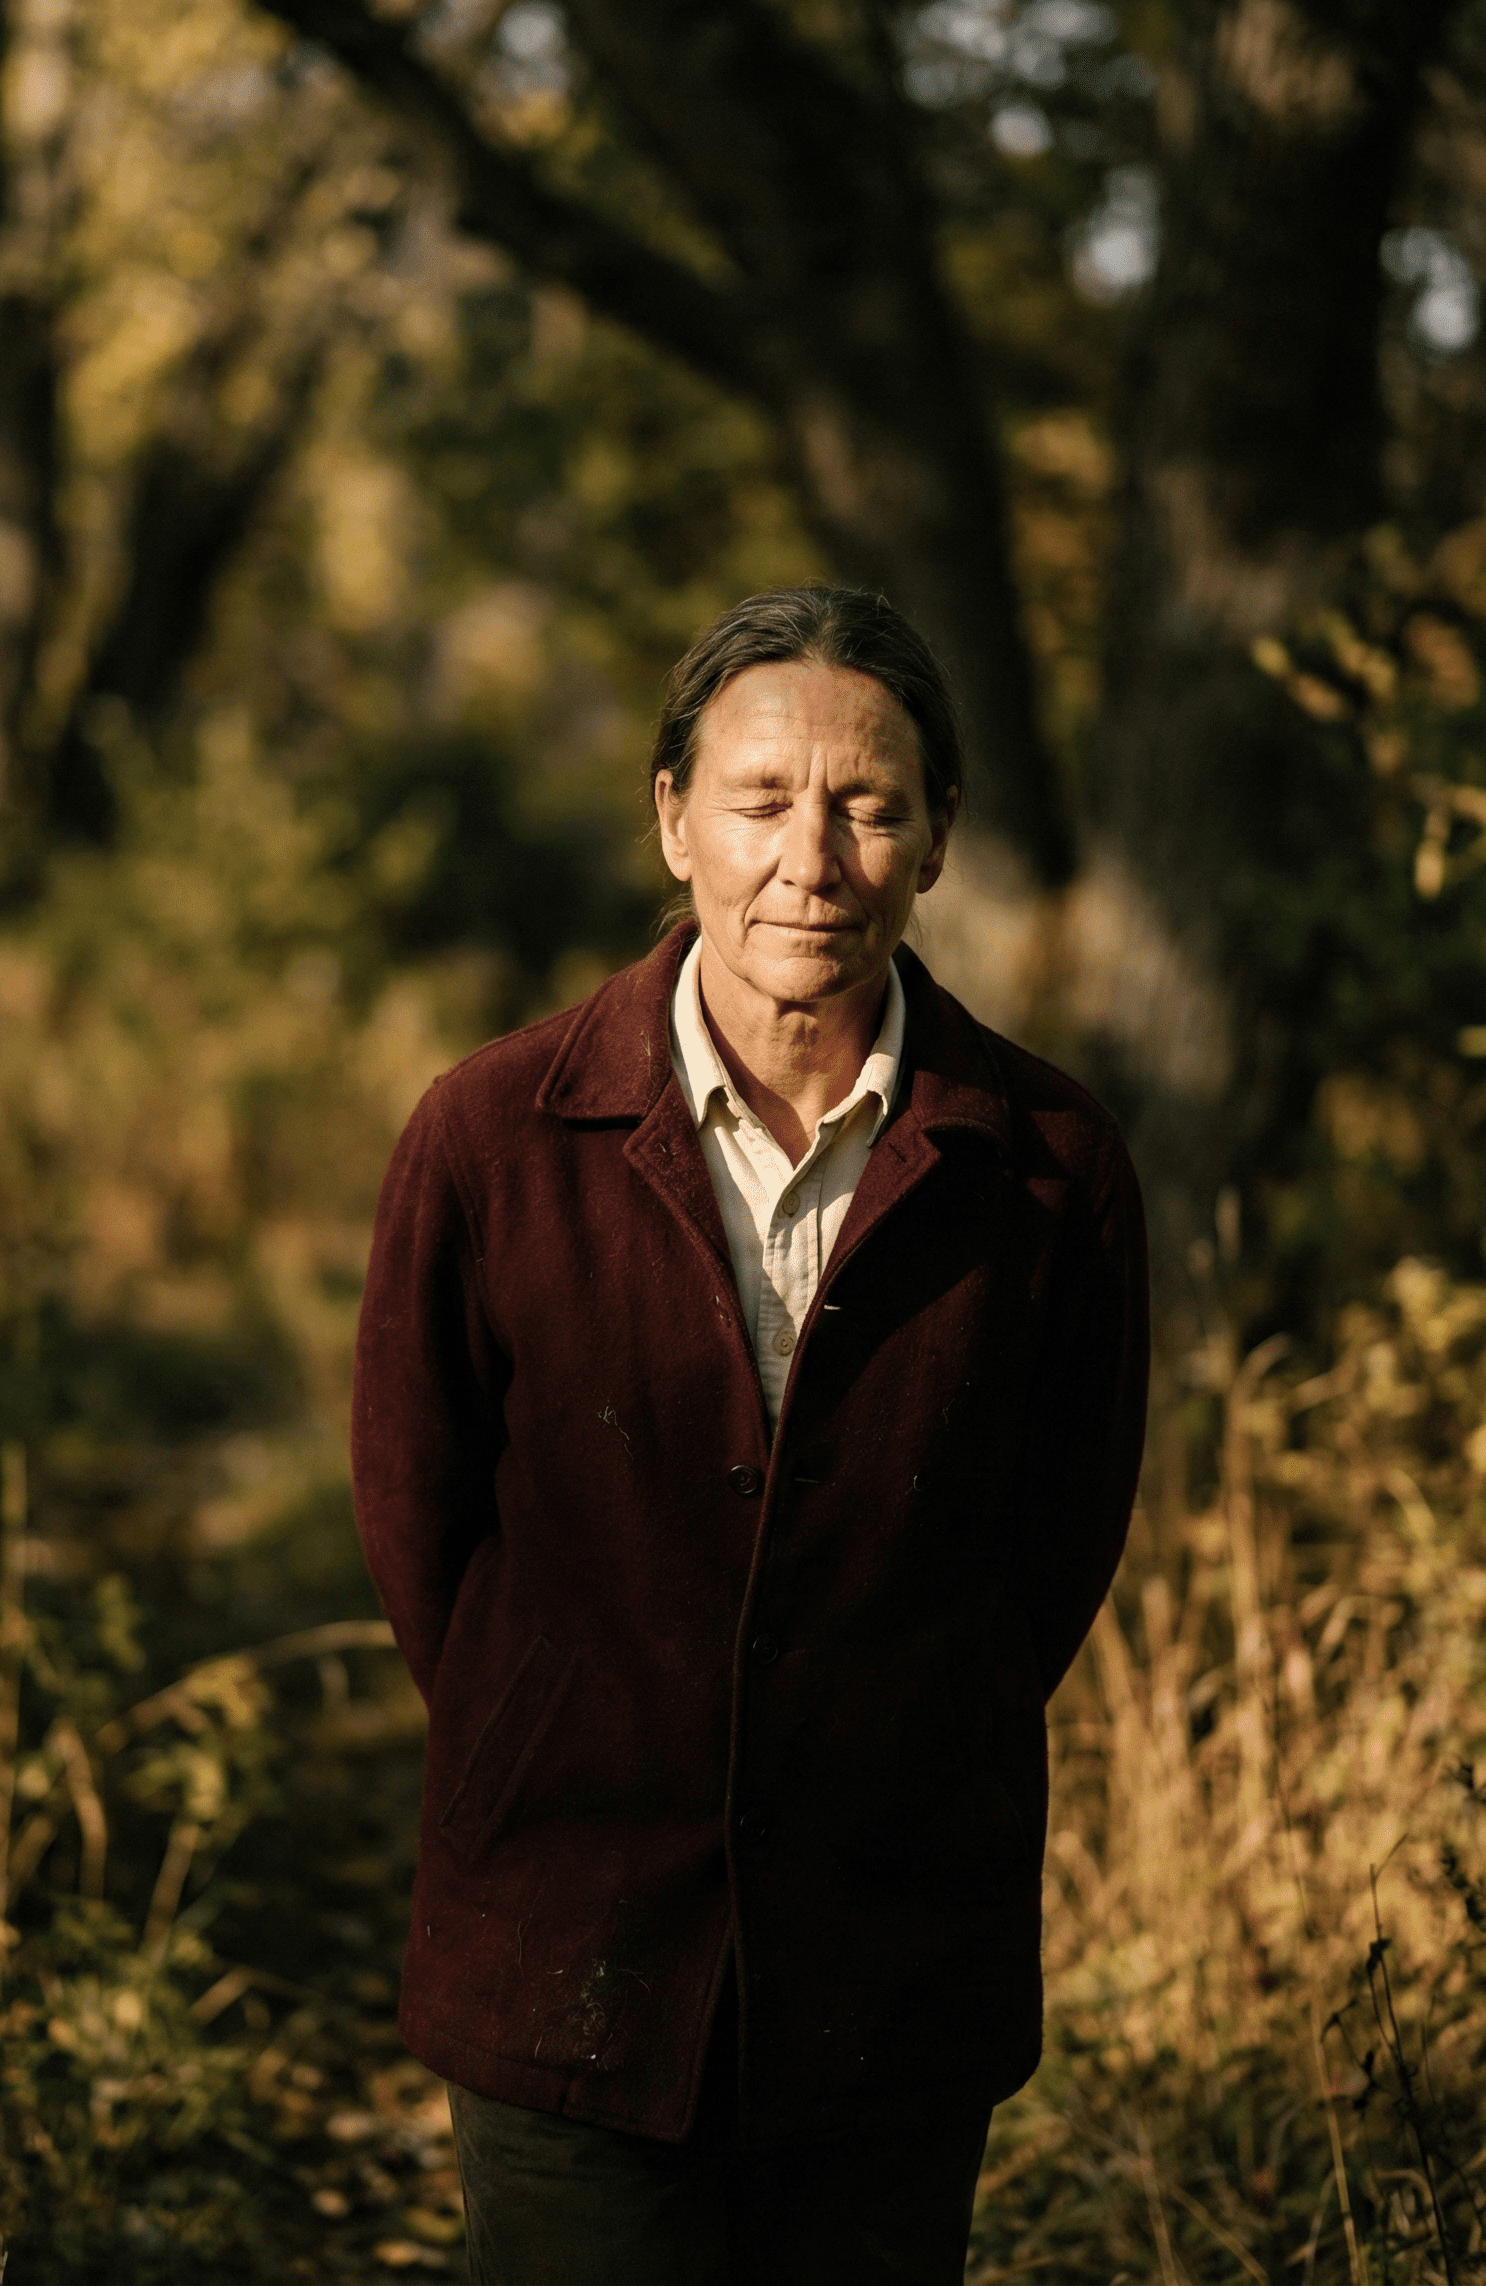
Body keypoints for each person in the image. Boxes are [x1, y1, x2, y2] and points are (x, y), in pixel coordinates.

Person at [350, 586, 1149, 2284]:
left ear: (936, 836)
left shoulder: (1049, 1165)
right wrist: (562, 1728)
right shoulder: (492, 1136)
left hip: (893, 1966)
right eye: (762, 798)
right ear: (673, 818)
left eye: (870, 804)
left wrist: (889, 1734)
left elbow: (1056, 1545)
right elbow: (422, 1522)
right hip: (564, 1952)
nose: (815, 857)